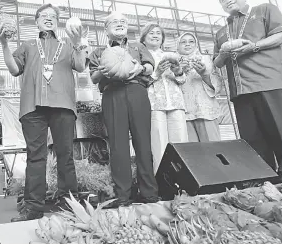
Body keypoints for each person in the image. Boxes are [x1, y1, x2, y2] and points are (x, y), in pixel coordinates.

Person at [0, 3, 88, 222]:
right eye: (44, 16)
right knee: (35, 157)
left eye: (53, 16)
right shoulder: (27, 45)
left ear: (58, 22)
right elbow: (14, 69)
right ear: (36, 21)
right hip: (33, 107)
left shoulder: (68, 44)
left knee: (65, 155)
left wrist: (78, 43)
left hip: (63, 105)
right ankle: (33, 207)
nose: (49, 19)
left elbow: (81, 66)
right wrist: (3, 43)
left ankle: (70, 204)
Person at [213, 0, 282, 178]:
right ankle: (264, 178)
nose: (227, 1)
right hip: (240, 92)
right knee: (253, 142)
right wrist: (224, 52)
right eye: (222, 0)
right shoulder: (221, 32)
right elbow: (217, 63)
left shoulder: (264, 10)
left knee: (281, 135)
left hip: (268, 84)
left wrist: (254, 46)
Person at [88, 12, 158, 206]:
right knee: (118, 146)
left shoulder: (138, 46)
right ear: (106, 29)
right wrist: (102, 72)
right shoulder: (98, 53)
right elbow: (93, 78)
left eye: (122, 22)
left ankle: (149, 193)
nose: (119, 24)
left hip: (137, 91)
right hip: (112, 94)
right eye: (114, 22)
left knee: (143, 142)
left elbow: (151, 66)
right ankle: (122, 195)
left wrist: (141, 69)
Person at [140, 24, 187, 174]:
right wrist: (157, 72)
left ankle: (184, 182)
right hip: (155, 104)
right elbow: (141, 83)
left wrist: (178, 71)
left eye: (158, 33)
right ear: (144, 38)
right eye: (151, 33)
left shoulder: (173, 56)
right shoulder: (141, 58)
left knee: (181, 143)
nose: (155, 35)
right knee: (159, 145)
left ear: (162, 38)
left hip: (176, 102)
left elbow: (181, 81)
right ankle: (163, 184)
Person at [176, 32, 222, 142]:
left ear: (196, 44)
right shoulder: (173, 63)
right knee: (192, 153)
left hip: (205, 110)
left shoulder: (206, 60)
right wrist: (178, 72)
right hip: (183, 114)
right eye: (183, 42)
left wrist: (204, 74)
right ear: (177, 45)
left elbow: (217, 87)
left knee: (212, 148)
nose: (187, 44)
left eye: (191, 41)